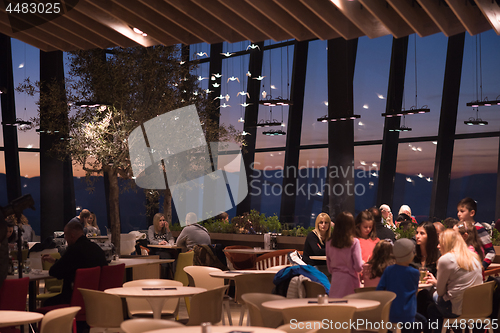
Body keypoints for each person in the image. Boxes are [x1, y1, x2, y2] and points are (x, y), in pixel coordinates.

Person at [426, 229, 483, 332]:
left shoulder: (446, 259)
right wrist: (436, 282)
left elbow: (440, 292)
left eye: (440, 243)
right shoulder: (474, 257)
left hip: (456, 309)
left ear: (446, 243)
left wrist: (436, 284)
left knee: (431, 303)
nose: (438, 246)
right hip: (477, 308)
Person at [41, 221, 108, 306]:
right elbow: (73, 264)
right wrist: (55, 260)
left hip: (75, 300)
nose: (65, 238)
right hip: (95, 299)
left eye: (65, 235)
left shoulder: (74, 250)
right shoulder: (96, 249)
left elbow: (54, 271)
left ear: (72, 235)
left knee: (46, 303)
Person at [376, 238, 422, 332]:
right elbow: (415, 290)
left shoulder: (389, 270)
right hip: (408, 312)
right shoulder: (414, 273)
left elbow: (379, 289)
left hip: (391, 311)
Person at [325, 211, 363, 298]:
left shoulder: (329, 242)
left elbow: (329, 268)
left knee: (336, 309)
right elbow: (358, 267)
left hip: (335, 281)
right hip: (350, 281)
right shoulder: (354, 242)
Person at [457, 197, 495, 269]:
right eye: (458, 211)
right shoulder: (457, 228)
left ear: (472, 213)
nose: (458, 214)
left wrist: (482, 266)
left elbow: (491, 252)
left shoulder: (479, 229)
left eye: (462, 211)